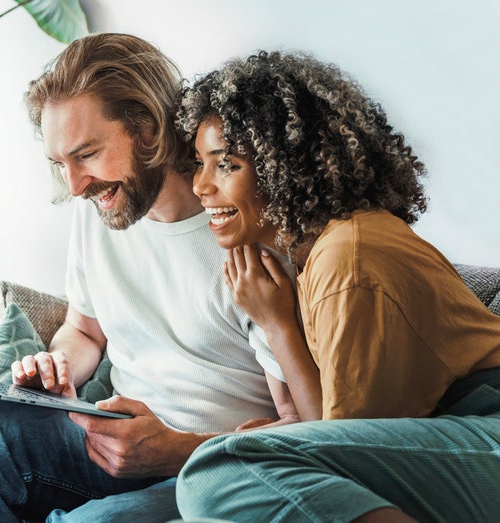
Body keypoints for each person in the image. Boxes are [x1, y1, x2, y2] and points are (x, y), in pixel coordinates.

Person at [0, 33, 303, 523]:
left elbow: (300, 426)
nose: (75, 186)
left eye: (88, 154)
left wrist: (177, 448)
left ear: (148, 129)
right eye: (60, 164)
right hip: (111, 441)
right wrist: (58, 367)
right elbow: (85, 330)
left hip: (208, 466)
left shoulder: (245, 232)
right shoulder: (101, 208)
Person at [173, 50, 500, 522]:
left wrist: (278, 325)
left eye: (226, 165)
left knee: (222, 466)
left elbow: (340, 446)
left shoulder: (349, 260)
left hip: (485, 428)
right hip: (465, 435)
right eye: (199, 164)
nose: (201, 185)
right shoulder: (317, 253)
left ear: (285, 167)